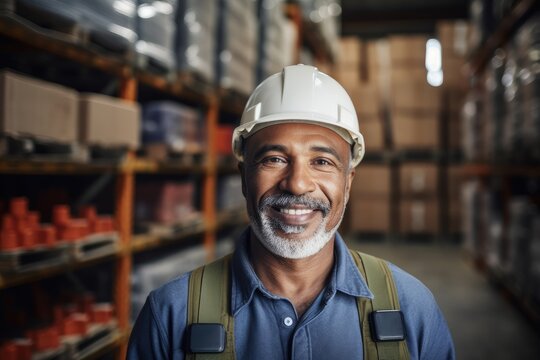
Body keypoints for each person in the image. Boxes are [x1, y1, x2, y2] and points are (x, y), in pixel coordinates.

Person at [127, 64, 455, 359]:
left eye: (322, 162)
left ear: (348, 182)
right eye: (275, 159)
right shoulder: (171, 315)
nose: (297, 184)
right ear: (244, 178)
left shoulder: (410, 308)